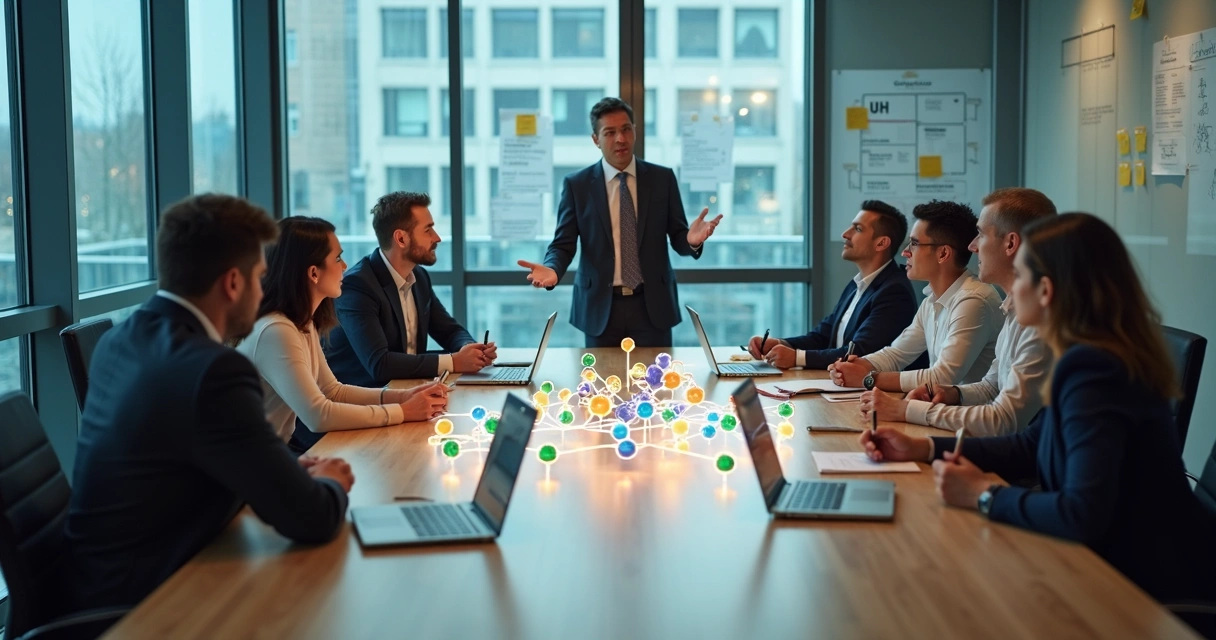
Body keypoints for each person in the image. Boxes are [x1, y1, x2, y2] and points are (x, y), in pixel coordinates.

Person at [861, 213, 1216, 603]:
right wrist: (923, 448)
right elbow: (1031, 444)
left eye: (1021, 277)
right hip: (1112, 562)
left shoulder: (1096, 372)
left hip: (1142, 587)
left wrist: (984, 494)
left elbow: (1082, 513)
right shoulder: (1086, 358)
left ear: (1045, 290)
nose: (1011, 292)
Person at [64, 194, 354, 614]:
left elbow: (181, 462)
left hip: (99, 580)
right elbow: (312, 519)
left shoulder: (120, 340)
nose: (263, 292)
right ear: (233, 284)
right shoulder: (214, 370)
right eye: (258, 278)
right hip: (154, 601)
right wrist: (331, 483)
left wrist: (283, 470)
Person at [517, 97, 723, 347]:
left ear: (635, 131)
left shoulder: (661, 179)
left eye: (626, 129)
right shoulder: (578, 185)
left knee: (657, 383)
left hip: (652, 307)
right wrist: (552, 268)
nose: (621, 139)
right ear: (596, 139)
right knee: (600, 383)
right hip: (599, 307)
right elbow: (564, 244)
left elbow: (679, 238)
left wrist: (691, 241)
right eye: (610, 132)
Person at [237, 216, 449, 445]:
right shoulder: (276, 330)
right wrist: (403, 412)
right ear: (313, 273)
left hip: (264, 457)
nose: (345, 266)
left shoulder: (301, 323)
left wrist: (403, 396)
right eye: (338, 258)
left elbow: (333, 391)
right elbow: (318, 415)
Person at [862, 189, 1056, 436]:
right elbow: (992, 386)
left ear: (1010, 244)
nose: (973, 246)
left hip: (1018, 462)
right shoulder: (1012, 308)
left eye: (981, 234)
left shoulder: (1035, 318)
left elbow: (1004, 420)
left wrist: (905, 409)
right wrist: (954, 394)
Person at [829, 200, 1002, 393]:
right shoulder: (932, 300)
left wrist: (868, 378)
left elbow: (942, 377)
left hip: (972, 418)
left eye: (914, 243)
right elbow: (897, 354)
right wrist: (860, 365)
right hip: (944, 414)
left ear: (943, 253)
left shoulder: (973, 301)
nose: (905, 252)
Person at [325, 192, 494, 386]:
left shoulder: (419, 276)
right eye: (427, 230)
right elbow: (380, 364)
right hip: (363, 404)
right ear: (401, 239)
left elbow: (449, 330)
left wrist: (471, 350)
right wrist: (455, 361)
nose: (437, 238)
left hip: (407, 392)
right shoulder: (357, 287)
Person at [746, 200, 920, 370]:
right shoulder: (857, 284)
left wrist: (796, 357)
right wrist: (780, 343)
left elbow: (859, 353)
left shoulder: (894, 292)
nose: (845, 234)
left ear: (881, 243)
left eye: (857, 229)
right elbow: (823, 335)